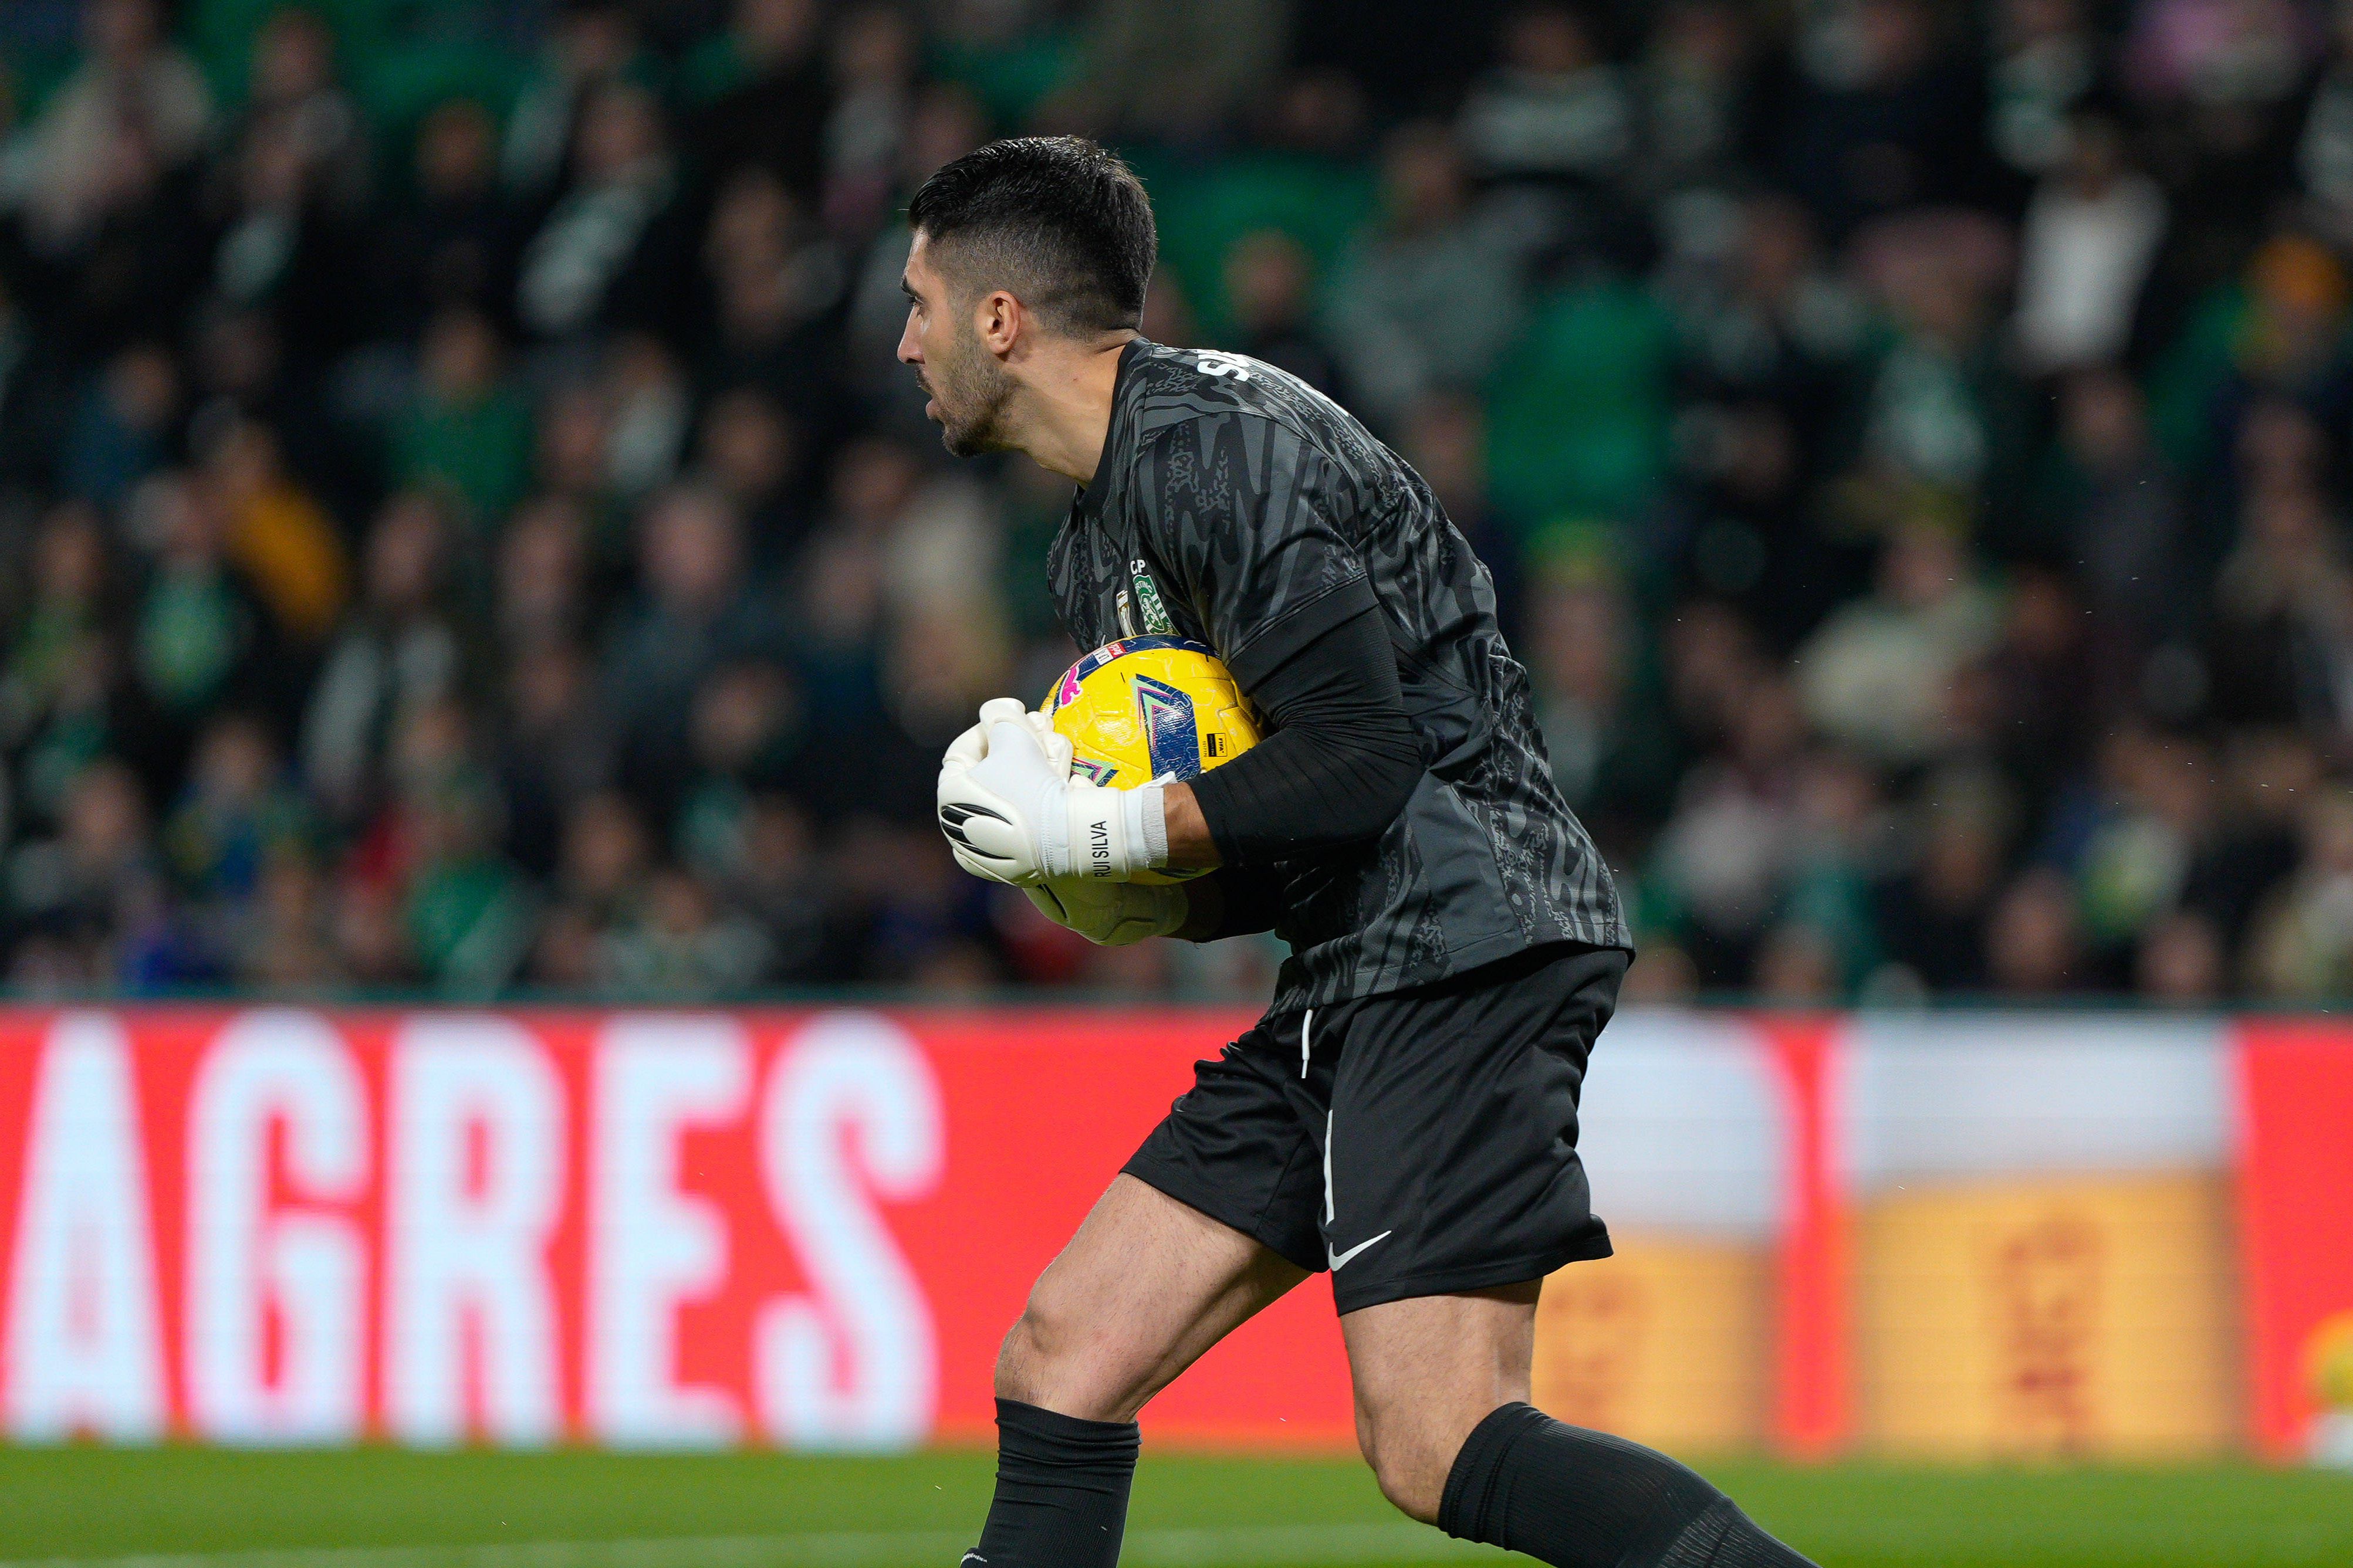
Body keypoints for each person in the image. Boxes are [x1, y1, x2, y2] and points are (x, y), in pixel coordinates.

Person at [902, 136, 1817, 1568]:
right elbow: (1269, 835)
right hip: (1354, 953)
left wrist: (1109, 823)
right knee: (1063, 1352)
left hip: (1467, 924)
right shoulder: (1095, 545)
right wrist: (1086, 877)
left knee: (1439, 1437)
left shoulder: (1220, 444)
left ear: (1000, 320)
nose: (906, 343)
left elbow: (1358, 757)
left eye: (922, 304)